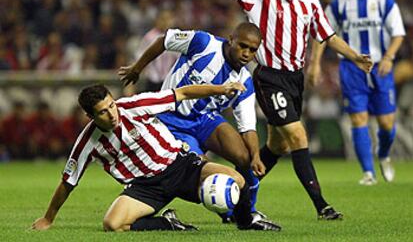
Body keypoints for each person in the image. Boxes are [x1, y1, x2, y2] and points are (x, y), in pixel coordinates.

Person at [207, 0, 373, 220]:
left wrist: (354, 56)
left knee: (277, 147)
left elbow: (328, 36)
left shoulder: (310, 3)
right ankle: (322, 206)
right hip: (269, 77)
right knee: (298, 136)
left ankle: (236, 194)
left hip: (295, 79)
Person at [32, 83, 280, 232]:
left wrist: (222, 89)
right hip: (146, 188)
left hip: (181, 165)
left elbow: (181, 93)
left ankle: (246, 222)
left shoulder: (134, 105)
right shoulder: (87, 141)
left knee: (237, 179)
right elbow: (68, 181)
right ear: (90, 116)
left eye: (111, 106)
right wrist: (48, 218)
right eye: (102, 113)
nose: (111, 114)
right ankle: (167, 224)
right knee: (112, 225)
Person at [119, 22, 272, 224]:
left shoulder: (245, 81)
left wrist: (256, 156)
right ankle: (226, 212)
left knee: (245, 157)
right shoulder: (203, 43)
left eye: (252, 50)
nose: (246, 53)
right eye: (242, 46)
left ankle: (247, 212)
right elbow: (163, 41)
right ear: (231, 39)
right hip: (170, 120)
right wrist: (137, 68)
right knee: (201, 170)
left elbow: (248, 127)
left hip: (204, 120)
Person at [308, 0, 405, 185]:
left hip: (381, 67)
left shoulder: (384, 0)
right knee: (358, 119)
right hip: (351, 69)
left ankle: (383, 154)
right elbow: (323, 35)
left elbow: (398, 33)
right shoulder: (339, 4)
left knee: (386, 124)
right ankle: (368, 173)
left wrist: (390, 57)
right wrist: (315, 64)